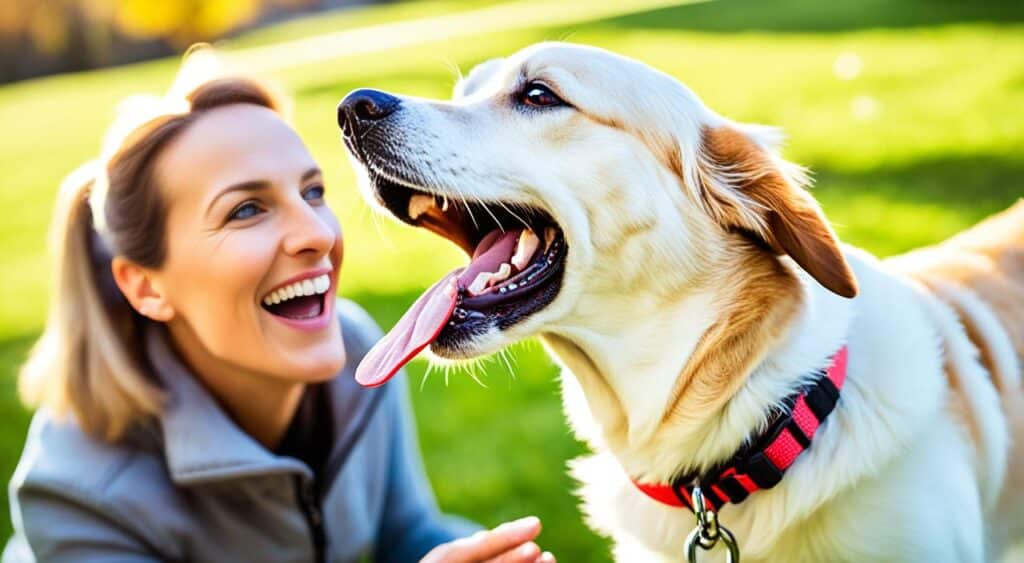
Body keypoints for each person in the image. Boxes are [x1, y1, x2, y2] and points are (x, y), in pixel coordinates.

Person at [3, 49, 556, 563]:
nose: (315, 232)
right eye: (246, 210)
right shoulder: (79, 494)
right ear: (146, 286)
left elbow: (406, 532)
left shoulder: (359, 349)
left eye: (312, 192)